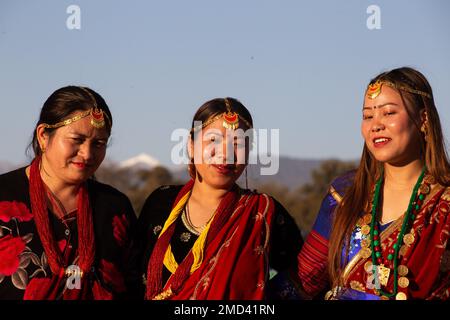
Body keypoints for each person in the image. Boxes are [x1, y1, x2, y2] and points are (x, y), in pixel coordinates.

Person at [295, 67, 450, 300]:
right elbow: (304, 280)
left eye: (388, 113)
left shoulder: (444, 204)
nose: (375, 125)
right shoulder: (346, 194)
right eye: (368, 116)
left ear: (423, 119)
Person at [133, 97, 303, 300]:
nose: (226, 153)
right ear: (190, 145)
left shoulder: (263, 214)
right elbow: (130, 278)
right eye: (213, 140)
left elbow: (304, 278)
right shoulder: (160, 202)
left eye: (238, 143)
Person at [0, 86, 137, 300]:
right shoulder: (4, 194)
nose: (87, 153)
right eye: (77, 140)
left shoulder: (115, 208)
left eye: (99, 143)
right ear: (44, 135)